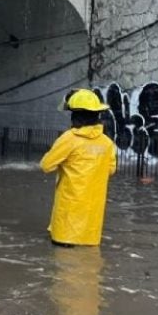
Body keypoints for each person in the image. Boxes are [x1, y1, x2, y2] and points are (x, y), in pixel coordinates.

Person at [39, 89, 117, 247]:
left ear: (76, 116)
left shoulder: (69, 139)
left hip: (67, 223)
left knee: (63, 264)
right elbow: (111, 170)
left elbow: (46, 165)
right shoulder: (107, 143)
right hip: (92, 227)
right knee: (88, 265)